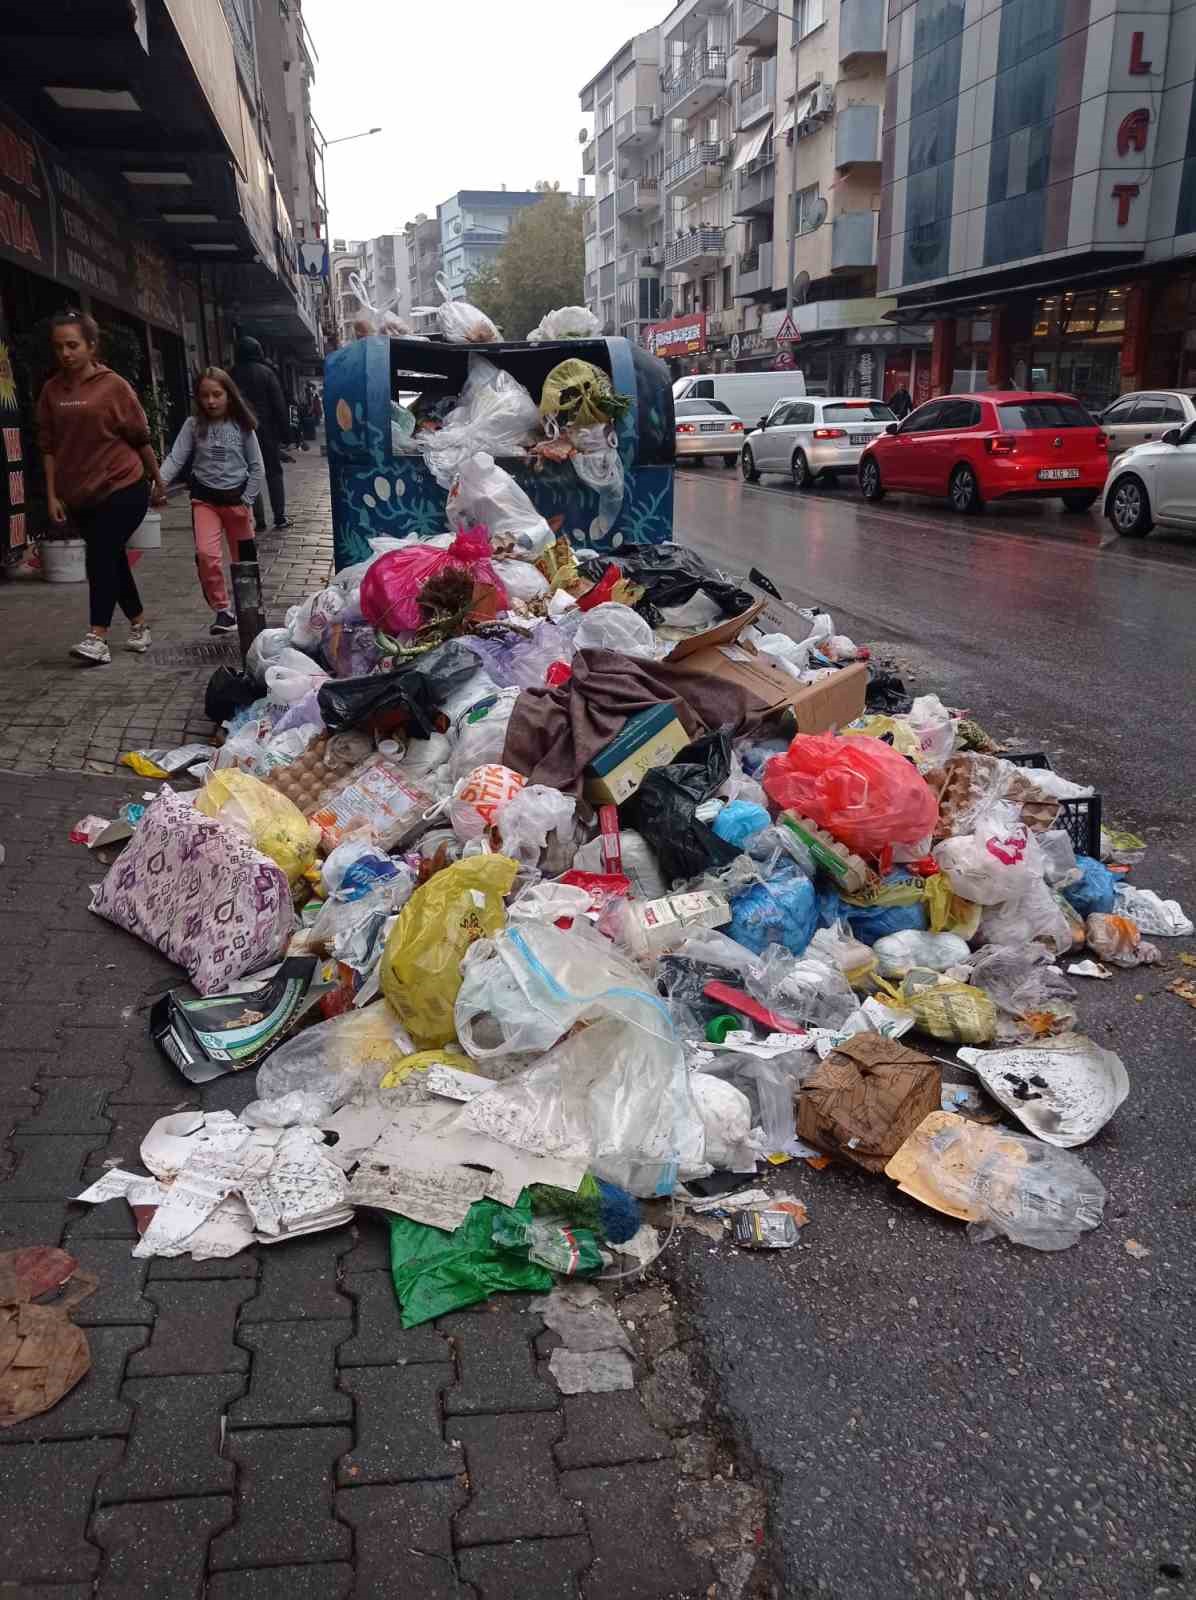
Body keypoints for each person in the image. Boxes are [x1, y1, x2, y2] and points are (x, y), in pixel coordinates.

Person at [37, 308, 165, 666]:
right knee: (110, 556)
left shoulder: (113, 386)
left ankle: (98, 636)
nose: (65, 353)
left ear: (91, 346)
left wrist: (157, 480)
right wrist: (51, 495)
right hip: (80, 492)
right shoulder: (51, 391)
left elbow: (140, 438)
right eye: (59, 346)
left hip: (124, 485)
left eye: (73, 345)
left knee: (100, 555)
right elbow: (47, 446)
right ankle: (139, 625)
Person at [155, 366, 264, 635]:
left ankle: (249, 608)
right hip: (204, 501)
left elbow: (257, 467)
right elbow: (176, 458)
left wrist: (247, 500)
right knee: (206, 555)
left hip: (237, 502)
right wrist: (159, 483)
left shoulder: (243, 427)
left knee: (245, 560)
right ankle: (222, 610)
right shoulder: (193, 426)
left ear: (229, 395)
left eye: (217, 394)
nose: (211, 401)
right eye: (205, 395)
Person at [230, 335, 291, 531]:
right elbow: (279, 404)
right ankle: (280, 516)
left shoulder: (231, 374)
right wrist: (286, 433)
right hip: (266, 430)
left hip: (240, 430)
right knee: (273, 472)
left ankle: (259, 519)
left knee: (249, 473)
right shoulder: (267, 373)